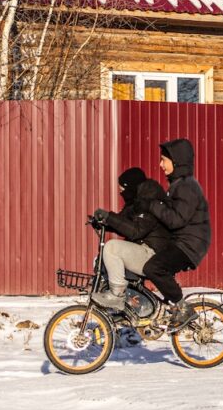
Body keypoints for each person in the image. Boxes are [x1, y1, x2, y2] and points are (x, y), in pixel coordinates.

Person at [144, 137, 211, 329]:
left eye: (164, 160)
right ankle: (164, 308)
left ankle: (182, 308)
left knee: (154, 268)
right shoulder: (178, 184)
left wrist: (152, 205)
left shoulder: (187, 186)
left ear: (177, 161)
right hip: (182, 241)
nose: (160, 164)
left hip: (189, 245)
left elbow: (175, 219)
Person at [90, 171, 172, 311]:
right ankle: (133, 307)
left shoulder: (150, 202)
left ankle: (117, 295)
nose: (121, 193)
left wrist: (109, 216)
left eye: (122, 190)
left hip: (154, 255)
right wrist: (104, 222)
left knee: (111, 248)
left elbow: (135, 231)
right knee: (103, 260)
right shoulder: (135, 203)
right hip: (145, 251)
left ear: (131, 187)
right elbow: (123, 224)